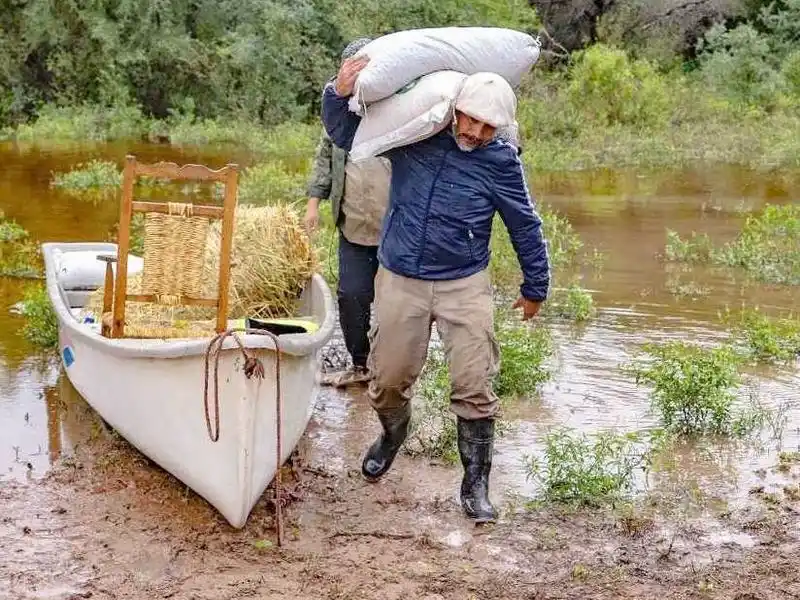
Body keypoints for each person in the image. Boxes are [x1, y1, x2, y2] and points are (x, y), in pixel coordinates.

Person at [321, 57, 550, 524]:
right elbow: (349, 135)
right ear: (455, 112)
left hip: (463, 283)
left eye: (489, 128)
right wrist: (337, 93)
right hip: (401, 276)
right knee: (387, 381)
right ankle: (391, 434)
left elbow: (524, 223)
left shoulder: (500, 162)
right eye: (472, 121)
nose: (477, 133)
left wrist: (535, 286)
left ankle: (475, 486)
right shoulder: (414, 137)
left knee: (475, 383)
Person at [305, 37, 392, 388]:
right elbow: (324, 160)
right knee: (352, 295)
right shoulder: (339, 116)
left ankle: (391, 370)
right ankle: (360, 366)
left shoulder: (400, 112)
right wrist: (313, 203)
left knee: (394, 303)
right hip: (354, 225)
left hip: (395, 228)